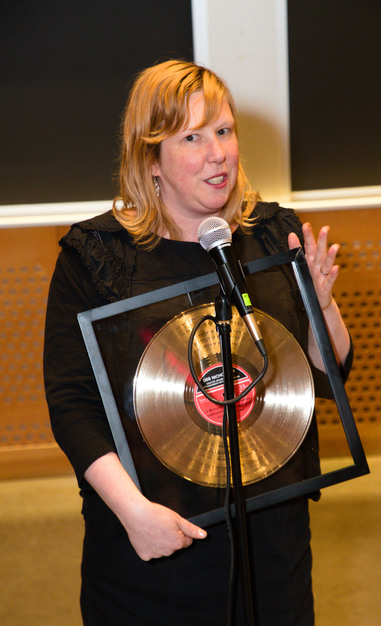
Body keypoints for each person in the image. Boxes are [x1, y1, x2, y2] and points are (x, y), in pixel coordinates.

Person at [44, 59, 352, 625]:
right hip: (155, 544)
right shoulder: (96, 257)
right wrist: (135, 514)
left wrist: (324, 307)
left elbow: (327, 376)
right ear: (149, 158)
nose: (218, 153)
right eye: (191, 137)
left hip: (271, 540)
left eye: (224, 131)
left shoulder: (270, 234)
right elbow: (72, 406)